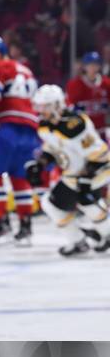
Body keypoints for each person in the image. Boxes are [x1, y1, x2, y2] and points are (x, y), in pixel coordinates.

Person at [27, 85, 110, 256]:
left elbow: (98, 154)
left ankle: (86, 240)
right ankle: (85, 240)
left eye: (46, 106)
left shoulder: (74, 124)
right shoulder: (45, 125)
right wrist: (40, 164)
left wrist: (87, 178)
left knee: (82, 201)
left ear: (58, 105)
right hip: (75, 174)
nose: (41, 111)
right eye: (39, 106)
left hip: (98, 167)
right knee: (55, 204)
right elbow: (52, 148)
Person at [0, 36, 39, 246]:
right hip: (31, 128)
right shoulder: (26, 70)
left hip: (7, 125)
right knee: (20, 177)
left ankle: (3, 224)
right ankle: (25, 227)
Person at [66, 51, 110, 139]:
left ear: (100, 66)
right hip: (82, 132)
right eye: (90, 65)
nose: (93, 68)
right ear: (84, 66)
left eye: (96, 64)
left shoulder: (106, 84)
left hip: (101, 131)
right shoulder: (74, 85)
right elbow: (69, 107)